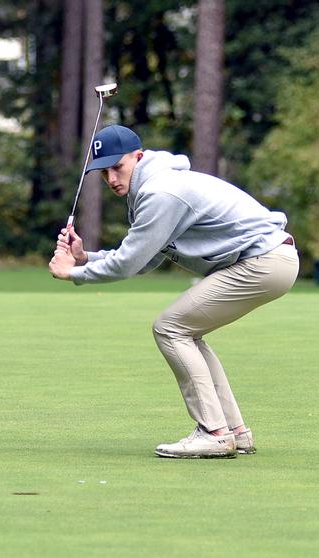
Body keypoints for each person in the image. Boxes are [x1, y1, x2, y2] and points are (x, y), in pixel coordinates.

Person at [49, 124, 299, 459]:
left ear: (137, 157)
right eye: (103, 172)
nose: (111, 179)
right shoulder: (152, 187)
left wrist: (73, 273)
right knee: (186, 332)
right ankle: (235, 432)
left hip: (264, 261)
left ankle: (213, 433)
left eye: (117, 167)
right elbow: (145, 259)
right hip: (271, 260)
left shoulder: (160, 193)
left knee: (170, 328)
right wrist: (84, 257)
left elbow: (127, 264)